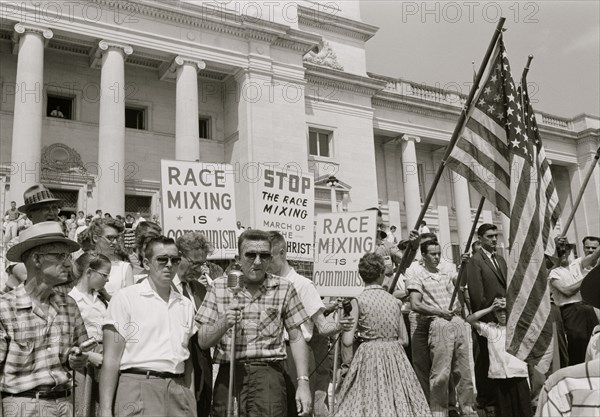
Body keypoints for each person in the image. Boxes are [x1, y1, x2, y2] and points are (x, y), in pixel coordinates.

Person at [196, 229, 312, 417]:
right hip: (230, 374)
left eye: (264, 255)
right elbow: (202, 340)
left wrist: (303, 383)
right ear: (238, 257)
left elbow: (297, 337)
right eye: (250, 255)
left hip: (269, 376)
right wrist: (224, 322)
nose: (257, 261)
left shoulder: (284, 287)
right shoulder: (219, 286)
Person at [99, 236, 197, 417]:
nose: (169, 265)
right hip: (138, 385)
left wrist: (190, 401)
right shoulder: (125, 298)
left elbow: (188, 360)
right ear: (146, 263)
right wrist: (105, 410)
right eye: (162, 259)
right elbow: (111, 359)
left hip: (178, 388)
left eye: (175, 260)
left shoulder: (186, 304)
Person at [0, 222, 89, 416]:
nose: (68, 263)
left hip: (65, 404)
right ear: (37, 260)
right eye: (60, 256)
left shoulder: (69, 305)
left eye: (68, 256)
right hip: (23, 406)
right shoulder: (4, 308)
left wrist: (76, 358)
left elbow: (79, 354)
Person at [333, 252, 431, 417]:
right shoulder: (395, 301)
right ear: (380, 274)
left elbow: (348, 340)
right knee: (400, 399)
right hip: (395, 355)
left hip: (369, 355)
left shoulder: (358, 301)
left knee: (367, 400)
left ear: (361, 275)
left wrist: (355, 332)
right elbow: (405, 340)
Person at [267, 231, 354, 416]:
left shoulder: (303, 285)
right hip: (270, 353)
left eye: (269, 256)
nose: (264, 262)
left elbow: (322, 326)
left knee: (299, 409)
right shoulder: (266, 284)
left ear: (282, 253)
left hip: (295, 354)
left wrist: (340, 325)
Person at [407, 240, 476, 417]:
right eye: (433, 254)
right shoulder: (417, 275)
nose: (437, 257)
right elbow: (415, 304)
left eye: (439, 253)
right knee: (441, 371)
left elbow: (462, 281)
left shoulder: (445, 273)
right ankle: (438, 410)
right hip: (437, 322)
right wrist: (439, 311)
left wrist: (465, 266)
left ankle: (467, 408)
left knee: (462, 369)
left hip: (456, 320)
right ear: (424, 256)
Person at [536, 262, 600, 416]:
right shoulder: (562, 387)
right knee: (576, 346)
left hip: (584, 311)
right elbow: (566, 290)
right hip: (571, 311)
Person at [175, 231, 224, 417]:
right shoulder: (163, 288)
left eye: (203, 264)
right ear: (178, 255)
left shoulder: (201, 289)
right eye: (195, 263)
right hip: (177, 371)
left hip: (202, 369)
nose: (199, 269)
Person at [467, 298, 532, 417]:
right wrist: (491, 308)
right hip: (500, 376)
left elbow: (528, 312)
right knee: (504, 411)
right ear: (495, 315)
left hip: (518, 375)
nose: (502, 314)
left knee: (523, 410)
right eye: (499, 312)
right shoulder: (491, 329)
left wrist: (511, 305)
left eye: (505, 311)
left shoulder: (520, 328)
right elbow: (470, 319)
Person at [466, 223, 507, 411]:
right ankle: (485, 398)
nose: (494, 239)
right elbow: (476, 294)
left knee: (499, 357)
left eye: (495, 236)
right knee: (484, 358)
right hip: (487, 319)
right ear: (480, 238)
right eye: (489, 236)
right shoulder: (475, 260)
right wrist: (488, 316)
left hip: (502, 317)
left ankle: (499, 395)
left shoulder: (500, 260)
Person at [69, 253, 111, 417]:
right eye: (104, 275)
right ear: (89, 272)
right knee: (84, 407)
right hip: (84, 361)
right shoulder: (72, 299)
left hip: (104, 358)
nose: (107, 280)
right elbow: (66, 338)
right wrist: (88, 356)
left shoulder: (101, 298)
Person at [549, 237, 600, 365]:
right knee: (577, 343)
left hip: (587, 308)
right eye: (559, 252)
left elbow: (594, 256)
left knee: (594, 340)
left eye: (565, 250)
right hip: (570, 311)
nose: (563, 254)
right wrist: (587, 279)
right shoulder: (553, 272)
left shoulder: (577, 263)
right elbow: (566, 291)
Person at [81, 218, 133, 298]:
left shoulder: (124, 268)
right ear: (95, 238)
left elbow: (130, 302)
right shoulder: (83, 264)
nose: (115, 242)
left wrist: (107, 296)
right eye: (110, 238)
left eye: (116, 238)